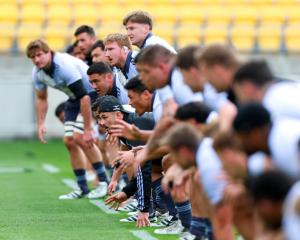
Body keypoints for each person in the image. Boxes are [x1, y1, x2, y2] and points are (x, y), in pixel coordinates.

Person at [26, 39, 108, 199]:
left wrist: (87, 128)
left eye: (39, 55)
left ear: (48, 52)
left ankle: (103, 183)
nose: (36, 60)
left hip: (90, 94)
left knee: (81, 138)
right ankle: (82, 188)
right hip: (74, 97)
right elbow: (41, 98)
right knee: (69, 141)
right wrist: (41, 123)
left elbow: (84, 96)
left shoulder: (63, 66)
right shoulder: (38, 72)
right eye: (33, 57)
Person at [92, 95, 156, 228]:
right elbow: (124, 153)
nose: (101, 123)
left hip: (184, 149)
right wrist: (119, 184)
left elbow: (145, 168)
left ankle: (161, 211)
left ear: (118, 114)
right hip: (170, 149)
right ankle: (158, 208)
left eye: (103, 117)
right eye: (98, 118)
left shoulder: (137, 122)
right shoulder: (121, 123)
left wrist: (143, 210)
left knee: (151, 165)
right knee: (135, 160)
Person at [233, 102, 300, 179]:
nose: (241, 143)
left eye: (242, 138)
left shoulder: (284, 141)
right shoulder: (277, 134)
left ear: (255, 133)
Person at [233, 60, 300, 120]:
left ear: (247, 87)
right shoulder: (283, 90)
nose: (239, 99)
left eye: (238, 92)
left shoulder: (274, 99)